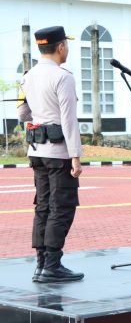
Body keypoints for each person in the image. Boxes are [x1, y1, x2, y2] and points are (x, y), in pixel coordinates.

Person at [19, 25, 84, 283]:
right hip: (58, 152)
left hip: (37, 151)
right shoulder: (63, 77)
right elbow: (69, 120)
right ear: (60, 47)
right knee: (62, 206)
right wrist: (76, 156)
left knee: (43, 206)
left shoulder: (28, 76)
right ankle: (53, 265)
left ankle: (41, 264)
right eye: (66, 46)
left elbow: (23, 114)